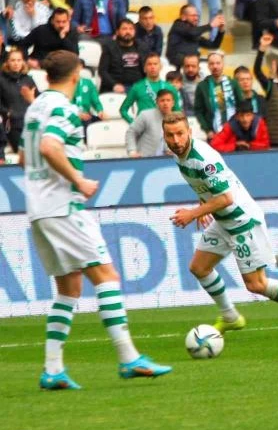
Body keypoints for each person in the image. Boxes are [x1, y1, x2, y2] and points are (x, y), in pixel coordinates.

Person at [20, 50, 171, 391]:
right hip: (64, 207)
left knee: (69, 288)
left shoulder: (35, 108)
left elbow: (25, 156)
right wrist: (78, 179)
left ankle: (53, 369)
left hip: (39, 209)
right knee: (107, 276)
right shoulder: (63, 109)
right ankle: (129, 358)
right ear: (76, 76)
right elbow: (49, 147)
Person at [163, 111, 278, 335]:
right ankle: (230, 316)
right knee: (199, 267)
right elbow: (205, 186)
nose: (176, 140)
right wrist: (203, 203)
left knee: (256, 284)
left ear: (190, 132)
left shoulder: (203, 159)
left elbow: (226, 198)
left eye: (180, 134)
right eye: (170, 135)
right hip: (224, 220)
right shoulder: (179, 155)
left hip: (241, 220)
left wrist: (194, 213)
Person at [119, 53, 181, 123]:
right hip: (144, 126)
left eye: (155, 64)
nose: (152, 67)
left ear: (161, 67)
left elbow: (177, 110)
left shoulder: (170, 88)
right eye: (149, 64)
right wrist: (134, 124)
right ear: (144, 68)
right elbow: (123, 110)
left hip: (164, 126)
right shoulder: (137, 87)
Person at [194, 52, 244, 139]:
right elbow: (198, 111)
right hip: (213, 134)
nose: (215, 66)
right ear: (208, 66)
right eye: (212, 64)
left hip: (235, 131)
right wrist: (207, 130)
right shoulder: (202, 86)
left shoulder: (233, 84)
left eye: (218, 63)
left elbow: (241, 106)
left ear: (223, 64)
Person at [0, 49, 38, 153]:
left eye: (19, 60)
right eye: (13, 60)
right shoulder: (1, 80)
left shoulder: (28, 79)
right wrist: (7, 112)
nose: (16, 63)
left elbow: (38, 98)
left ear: (23, 62)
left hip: (30, 122)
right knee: (22, 152)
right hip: (12, 123)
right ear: (7, 62)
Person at [98, 18, 147, 93]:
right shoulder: (109, 48)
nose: (128, 32)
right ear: (117, 32)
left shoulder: (142, 47)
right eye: (124, 29)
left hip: (138, 87)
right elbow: (102, 71)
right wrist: (114, 85)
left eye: (131, 29)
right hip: (116, 88)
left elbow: (147, 69)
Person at [126, 89, 175, 157]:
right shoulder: (145, 115)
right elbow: (131, 132)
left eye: (168, 100)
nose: (165, 103)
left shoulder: (177, 119)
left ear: (173, 103)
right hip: (144, 159)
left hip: (167, 160)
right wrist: (132, 151)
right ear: (157, 102)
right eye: (162, 100)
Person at [72, 59, 106, 132]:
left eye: (77, 65)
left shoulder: (88, 82)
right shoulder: (65, 84)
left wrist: (100, 111)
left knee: (102, 123)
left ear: (81, 67)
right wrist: (77, 114)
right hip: (72, 116)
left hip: (86, 116)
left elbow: (95, 101)